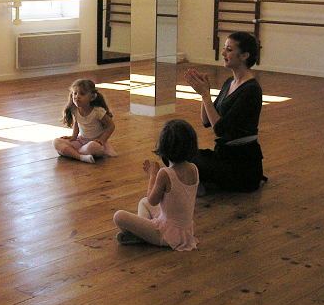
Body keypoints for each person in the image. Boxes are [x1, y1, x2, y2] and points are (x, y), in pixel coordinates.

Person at [184, 31, 266, 194]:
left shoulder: (251, 90)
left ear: (244, 56)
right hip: (223, 157)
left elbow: (220, 129)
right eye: (224, 48)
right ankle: (202, 182)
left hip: (241, 166)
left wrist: (205, 95)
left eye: (229, 49)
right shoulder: (229, 82)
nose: (223, 53)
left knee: (182, 159)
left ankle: (201, 182)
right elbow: (206, 121)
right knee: (172, 152)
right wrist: (205, 94)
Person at [113, 119, 199, 251]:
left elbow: (152, 200)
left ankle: (142, 236)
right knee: (142, 203)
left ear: (163, 148)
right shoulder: (193, 168)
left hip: (166, 235)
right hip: (184, 231)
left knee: (119, 216)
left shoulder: (165, 173)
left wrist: (153, 175)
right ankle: (142, 234)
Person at [52, 79, 117, 164]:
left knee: (92, 146)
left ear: (92, 97)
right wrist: (73, 137)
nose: (77, 96)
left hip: (95, 143)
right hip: (81, 141)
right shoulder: (75, 110)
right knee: (56, 142)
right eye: (75, 93)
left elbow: (111, 126)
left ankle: (71, 153)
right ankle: (81, 157)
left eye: (82, 94)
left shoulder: (98, 112)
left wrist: (102, 139)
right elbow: (77, 123)